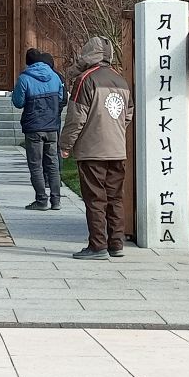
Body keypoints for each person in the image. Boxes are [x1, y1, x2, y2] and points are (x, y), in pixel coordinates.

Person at [60, 36, 132, 260]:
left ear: (89, 54)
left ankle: (97, 246)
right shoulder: (121, 80)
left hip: (92, 150)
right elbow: (128, 114)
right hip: (117, 149)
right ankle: (116, 244)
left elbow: (76, 118)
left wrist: (65, 145)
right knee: (115, 198)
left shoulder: (85, 80)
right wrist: (115, 131)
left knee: (95, 199)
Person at [10, 47, 65, 211]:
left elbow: (18, 102)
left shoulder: (24, 78)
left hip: (34, 127)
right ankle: (56, 201)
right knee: (53, 164)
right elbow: (61, 98)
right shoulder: (55, 77)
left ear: (28, 63)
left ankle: (41, 200)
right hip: (52, 126)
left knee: (36, 165)